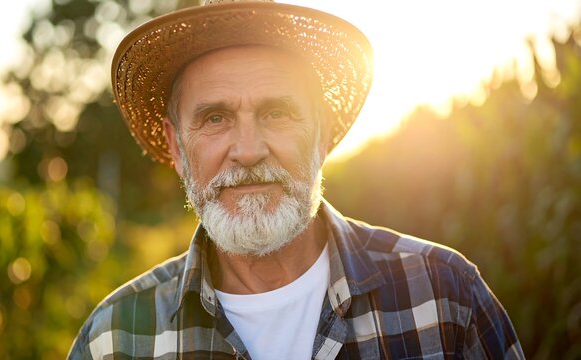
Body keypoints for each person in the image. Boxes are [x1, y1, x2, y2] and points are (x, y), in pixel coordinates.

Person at [68, 0, 524, 359]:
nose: (247, 150)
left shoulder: (446, 297)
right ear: (176, 148)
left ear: (322, 133)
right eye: (215, 118)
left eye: (277, 112)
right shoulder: (114, 341)